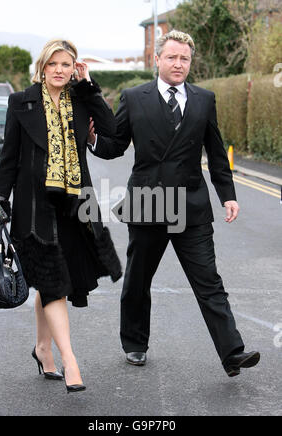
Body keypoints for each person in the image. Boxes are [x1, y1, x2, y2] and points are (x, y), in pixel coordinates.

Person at [88, 30, 260, 377]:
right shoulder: (134, 97)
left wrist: (227, 195)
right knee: (138, 280)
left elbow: (215, 151)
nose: (178, 64)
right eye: (172, 57)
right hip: (148, 203)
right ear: (157, 60)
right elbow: (116, 145)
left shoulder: (204, 99)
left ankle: (232, 353)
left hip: (191, 207)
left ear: (190, 62)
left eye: (184, 59)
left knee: (208, 281)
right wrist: (93, 137)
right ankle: (135, 343)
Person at [0, 39, 120, 393]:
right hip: (34, 208)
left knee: (56, 280)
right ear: (43, 67)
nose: (60, 70)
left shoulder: (81, 100)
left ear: (74, 68)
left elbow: (111, 131)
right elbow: (9, 157)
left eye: (67, 64)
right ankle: (70, 361)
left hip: (74, 207)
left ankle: (42, 348)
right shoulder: (22, 102)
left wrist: (90, 85)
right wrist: (1, 200)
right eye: (54, 64)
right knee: (52, 281)